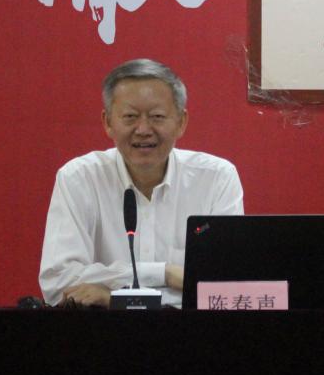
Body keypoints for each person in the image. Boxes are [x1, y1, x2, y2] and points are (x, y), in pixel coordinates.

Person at [38, 58, 243, 307]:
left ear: (181, 122)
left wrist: (114, 296)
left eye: (157, 116)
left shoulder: (216, 178)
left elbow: (224, 285)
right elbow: (58, 282)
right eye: (130, 116)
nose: (143, 129)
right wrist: (165, 273)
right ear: (107, 122)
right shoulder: (79, 178)